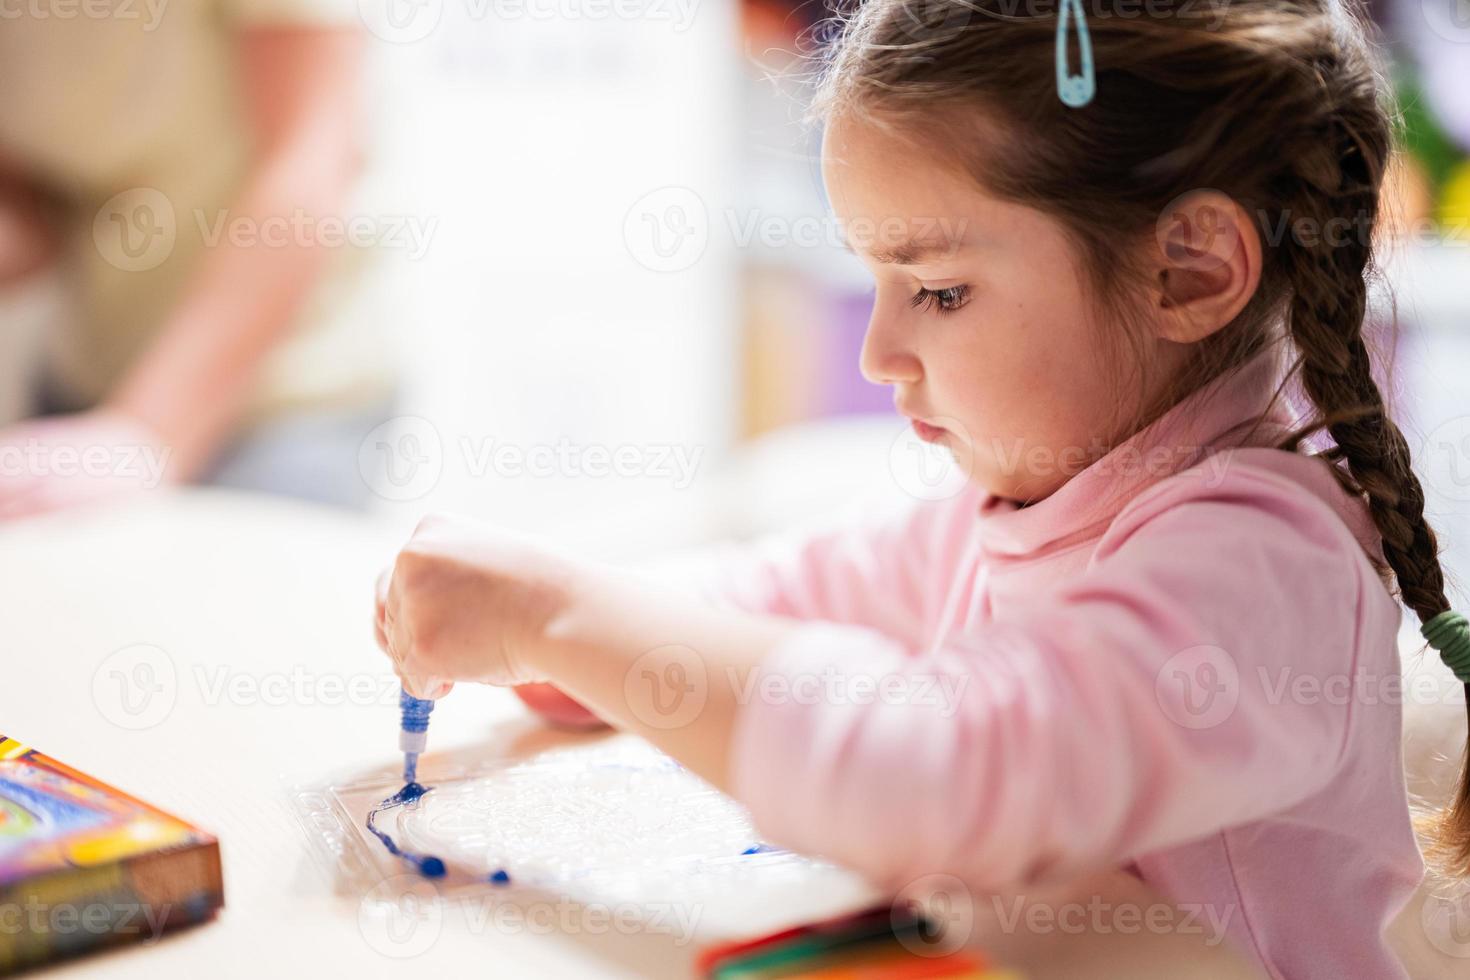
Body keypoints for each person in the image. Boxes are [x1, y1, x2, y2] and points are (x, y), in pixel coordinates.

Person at [372, 1, 1470, 976]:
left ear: (1187, 269)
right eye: (877, 282)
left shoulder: (1257, 570)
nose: (879, 352)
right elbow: (794, 582)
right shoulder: (1039, 497)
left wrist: (557, 616)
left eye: (938, 289)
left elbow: (937, 773)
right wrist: (585, 643)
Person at [0, 2, 399, 518]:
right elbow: (35, 203)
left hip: (280, 398)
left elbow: (311, 157)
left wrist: (148, 431)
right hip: (91, 379)